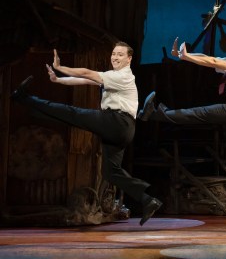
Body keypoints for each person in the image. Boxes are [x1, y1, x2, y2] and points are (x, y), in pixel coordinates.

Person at [11, 43, 162, 225]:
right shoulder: (114, 76)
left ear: (129, 59)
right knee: (110, 172)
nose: (115, 57)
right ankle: (148, 200)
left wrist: (60, 67)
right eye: (113, 53)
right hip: (123, 129)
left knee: (72, 113)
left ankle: (24, 98)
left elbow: (86, 73)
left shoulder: (122, 76)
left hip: (117, 122)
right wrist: (58, 80)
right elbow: (84, 80)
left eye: (120, 55)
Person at [138, 29, 226, 222]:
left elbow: (213, 62)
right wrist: (185, 56)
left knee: (199, 113)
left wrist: (187, 57)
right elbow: (210, 58)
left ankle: (156, 113)